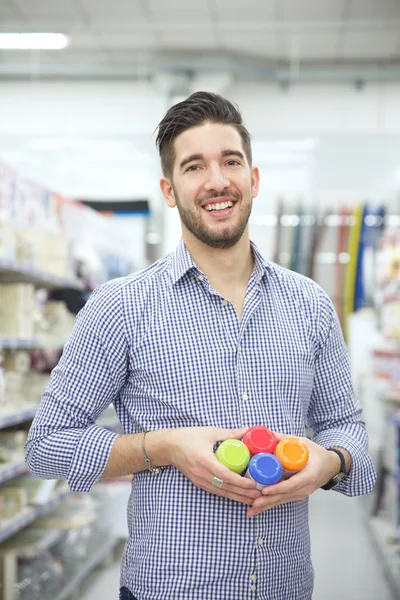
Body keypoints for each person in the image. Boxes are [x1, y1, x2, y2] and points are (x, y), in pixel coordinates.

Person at [25, 92, 376, 600]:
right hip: (169, 589)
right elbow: (47, 446)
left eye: (230, 161)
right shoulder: (121, 306)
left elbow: (349, 429)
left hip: (286, 586)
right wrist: (163, 447)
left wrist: (333, 461)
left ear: (253, 179)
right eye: (194, 166)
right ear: (170, 190)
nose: (216, 181)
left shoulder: (311, 305)